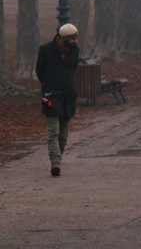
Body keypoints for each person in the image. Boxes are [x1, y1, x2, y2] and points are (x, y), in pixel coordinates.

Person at [36, 23, 80, 177]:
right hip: (51, 95)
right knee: (53, 131)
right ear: (63, 39)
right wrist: (49, 85)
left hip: (68, 96)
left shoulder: (75, 50)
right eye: (72, 39)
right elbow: (40, 71)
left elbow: (72, 70)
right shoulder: (46, 50)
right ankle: (55, 161)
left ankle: (57, 159)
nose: (75, 42)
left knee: (63, 134)